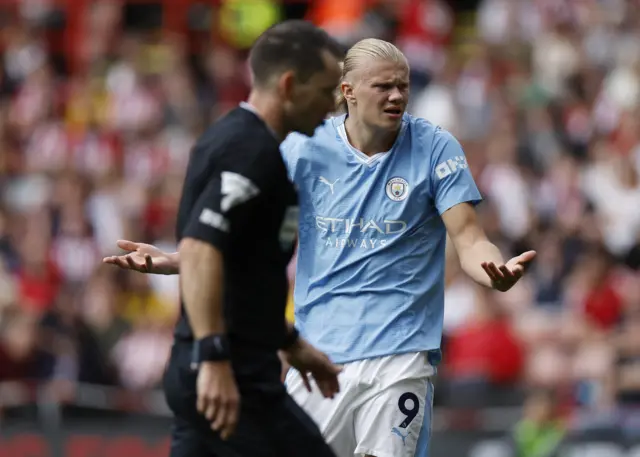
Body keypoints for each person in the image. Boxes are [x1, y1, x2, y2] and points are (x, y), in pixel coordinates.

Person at [105, 38, 536, 457]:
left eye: (402, 85)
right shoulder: (303, 149)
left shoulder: (435, 147)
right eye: (382, 86)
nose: (396, 95)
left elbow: (469, 238)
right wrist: (179, 260)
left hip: (401, 357)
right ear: (347, 91)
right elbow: (249, 236)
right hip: (321, 357)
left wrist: (492, 269)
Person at [110, 20, 345, 457]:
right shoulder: (249, 151)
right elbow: (202, 248)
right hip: (232, 375)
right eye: (326, 89)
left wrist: (290, 344)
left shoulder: (238, 140)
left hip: (209, 367)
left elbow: (242, 271)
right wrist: (215, 357)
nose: (332, 105)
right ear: (290, 85)